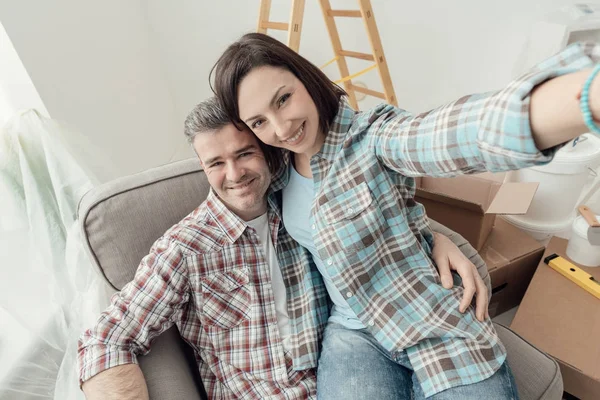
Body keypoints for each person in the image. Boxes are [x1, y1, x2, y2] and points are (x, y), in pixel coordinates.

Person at [212, 33, 600, 399]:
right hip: (351, 337)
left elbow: (455, 133)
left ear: (307, 78)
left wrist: (587, 97)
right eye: (258, 122)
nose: (281, 128)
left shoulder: (374, 137)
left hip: (432, 317)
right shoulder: (272, 175)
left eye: (283, 99)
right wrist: (430, 231)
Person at [77, 97, 481, 400]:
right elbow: (106, 341)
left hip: (344, 377)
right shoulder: (185, 248)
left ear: (268, 150)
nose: (233, 175)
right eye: (215, 163)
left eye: (244, 154)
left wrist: (434, 238)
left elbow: (380, 212)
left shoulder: (301, 208)